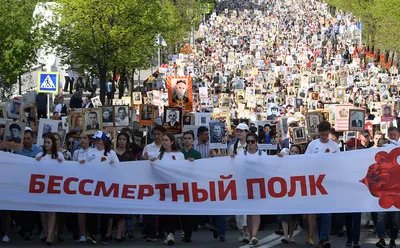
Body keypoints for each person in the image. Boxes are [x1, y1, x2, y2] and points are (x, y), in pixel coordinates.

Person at [305, 121, 340, 248]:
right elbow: (305, 161)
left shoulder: (334, 146)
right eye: (322, 135)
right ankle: (319, 238)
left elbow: (339, 162)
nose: (324, 137)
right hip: (315, 182)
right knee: (317, 213)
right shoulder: (313, 145)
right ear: (319, 133)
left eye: (326, 135)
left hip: (328, 182)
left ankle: (324, 238)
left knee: (327, 212)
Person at [149, 133, 185, 246]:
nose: (164, 142)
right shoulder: (158, 155)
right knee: (165, 211)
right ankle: (168, 233)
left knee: (173, 211)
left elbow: (183, 168)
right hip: (162, 187)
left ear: (172, 142)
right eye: (163, 140)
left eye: (166, 140)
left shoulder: (179, 155)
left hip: (175, 187)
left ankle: (171, 233)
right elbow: (148, 163)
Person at [85, 131, 119, 244]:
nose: (96, 142)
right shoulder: (90, 152)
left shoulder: (111, 153)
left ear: (103, 141)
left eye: (98, 140)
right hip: (92, 186)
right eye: (95, 140)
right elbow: (84, 166)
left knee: (105, 212)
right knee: (92, 212)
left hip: (106, 186)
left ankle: (104, 236)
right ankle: (92, 234)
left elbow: (117, 167)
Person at [231, 133, 264, 245]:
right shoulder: (242, 155)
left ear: (256, 142)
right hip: (245, 185)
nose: (250, 143)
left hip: (258, 185)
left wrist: (279, 157)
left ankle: (254, 235)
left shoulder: (262, 154)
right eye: (248, 141)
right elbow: (235, 167)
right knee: (249, 212)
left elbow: (271, 166)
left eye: (252, 141)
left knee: (256, 211)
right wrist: (232, 159)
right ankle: (251, 234)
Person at [35, 133, 64, 245]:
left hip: (54, 187)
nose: (46, 144)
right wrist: (36, 162)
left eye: (49, 142)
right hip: (42, 186)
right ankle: (46, 232)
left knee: (52, 211)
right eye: (45, 142)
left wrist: (61, 163)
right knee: (43, 212)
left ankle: (50, 235)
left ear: (53, 144)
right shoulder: (39, 155)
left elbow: (65, 171)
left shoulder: (59, 156)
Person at [277, 145, 303, 245]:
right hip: (285, 190)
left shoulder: (301, 163)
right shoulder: (284, 161)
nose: (293, 153)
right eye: (292, 151)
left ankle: (291, 235)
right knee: (285, 213)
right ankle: (285, 236)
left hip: (296, 191)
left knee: (294, 215)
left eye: (296, 152)